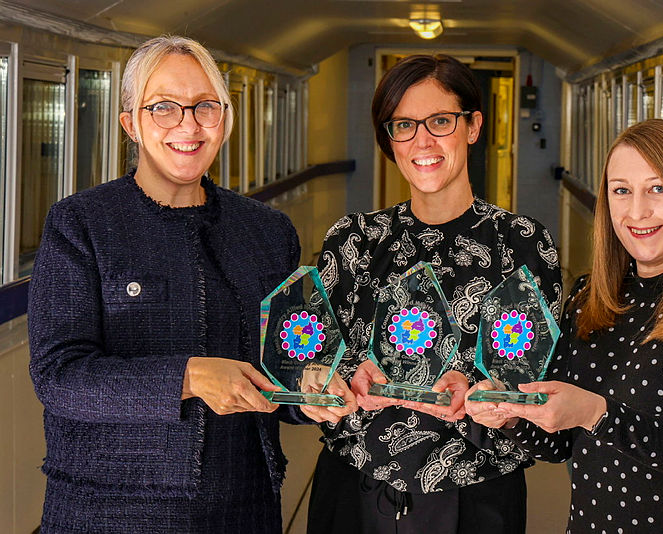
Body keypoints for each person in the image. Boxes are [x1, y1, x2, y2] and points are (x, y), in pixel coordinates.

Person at [27, 35, 354, 533]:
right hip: (111, 509)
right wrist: (189, 376)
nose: (188, 125)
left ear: (224, 119)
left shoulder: (266, 231)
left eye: (206, 107)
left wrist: (311, 388)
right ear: (130, 124)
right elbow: (59, 377)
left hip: (245, 504)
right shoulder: (82, 224)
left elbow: (288, 361)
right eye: (163, 107)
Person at [466, 118, 663, 533]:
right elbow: (561, 442)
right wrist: (508, 412)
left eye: (658, 189)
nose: (637, 211)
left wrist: (595, 411)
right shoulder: (590, 296)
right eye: (622, 191)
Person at [306, 54, 562, 533]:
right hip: (354, 489)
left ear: (472, 126)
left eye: (440, 121)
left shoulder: (521, 244)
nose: (422, 140)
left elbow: (539, 392)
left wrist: (492, 402)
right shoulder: (354, 242)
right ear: (389, 138)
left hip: (477, 497)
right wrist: (332, 385)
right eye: (403, 125)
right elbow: (310, 366)